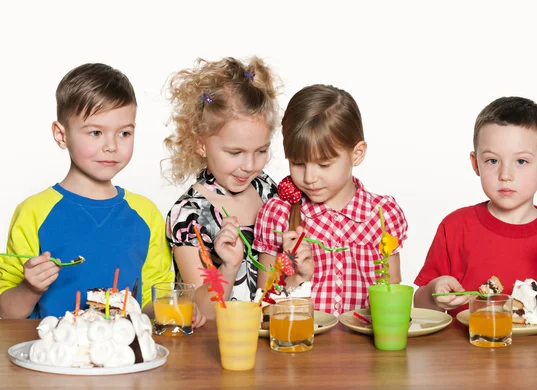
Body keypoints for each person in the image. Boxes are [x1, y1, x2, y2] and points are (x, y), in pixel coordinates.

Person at [0, 63, 182, 323]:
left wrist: (174, 310)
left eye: (124, 133)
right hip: (52, 359)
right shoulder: (33, 212)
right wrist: (30, 288)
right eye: (95, 132)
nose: (111, 146)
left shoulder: (146, 213)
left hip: (124, 358)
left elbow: (153, 303)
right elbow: (6, 314)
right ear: (61, 135)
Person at [413, 96, 537, 316]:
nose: (505, 175)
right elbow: (421, 304)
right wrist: (434, 293)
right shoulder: (455, 227)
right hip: (468, 348)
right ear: (476, 164)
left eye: (521, 161)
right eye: (492, 161)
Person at [253, 84, 408, 316]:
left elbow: (393, 295)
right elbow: (263, 308)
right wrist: (292, 278)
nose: (309, 178)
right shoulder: (279, 213)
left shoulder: (383, 214)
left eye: (324, 164)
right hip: (302, 343)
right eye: (298, 163)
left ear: (357, 154)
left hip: (365, 350)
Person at [163, 57, 280, 319]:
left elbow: (277, 293)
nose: (249, 165)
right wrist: (229, 267)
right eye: (235, 152)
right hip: (216, 346)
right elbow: (198, 313)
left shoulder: (269, 192)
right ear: (201, 144)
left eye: (261, 150)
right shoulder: (188, 216)